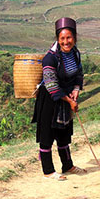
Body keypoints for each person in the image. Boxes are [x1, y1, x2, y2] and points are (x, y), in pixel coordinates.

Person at [32, 17, 87, 181]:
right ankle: (48, 171)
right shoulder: (50, 58)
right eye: (62, 38)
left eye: (69, 37)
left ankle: (67, 165)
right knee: (47, 135)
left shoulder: (75, 54)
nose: (66, 42)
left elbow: (79, 74)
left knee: (64, 133)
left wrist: (76, 90)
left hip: (66, 99)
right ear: (57, 39)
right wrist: (70, 101)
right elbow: (51, 86)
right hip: (50, 100)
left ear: (74, 38)